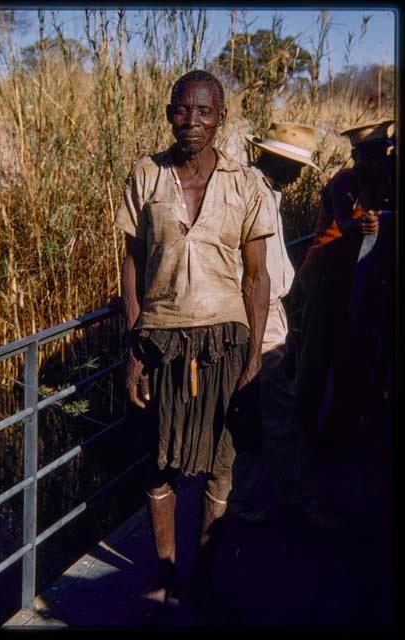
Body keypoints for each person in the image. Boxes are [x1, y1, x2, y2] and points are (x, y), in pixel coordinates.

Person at [114, 70, 275, 620]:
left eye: (205, 112)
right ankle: (164, 577)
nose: (193, 123)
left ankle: (204, 578)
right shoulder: (145, 176)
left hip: (225, 342)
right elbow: (132, 265)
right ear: (168, 114)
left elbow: (257, 279)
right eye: (183, 111)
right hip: (160, 341)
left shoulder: (246, 184)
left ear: (221, 117)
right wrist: (134, 346)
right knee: (158, 464)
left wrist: (254, 361)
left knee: (220, 467)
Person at [228, 122, 341, 527]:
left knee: (257, 411)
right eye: (294, 167)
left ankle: (238, 498)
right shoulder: (255, 190)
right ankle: (299, 497)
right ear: (279, 161)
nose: (296, 178)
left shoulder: (261, 189)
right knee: (278, 411)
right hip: (260, 310)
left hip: (266, 308)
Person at [295, 119, 395, 452]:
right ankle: (303, 436)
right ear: (356, 155)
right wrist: (362, 224)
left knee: (350, 355)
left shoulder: (383, 182)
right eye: (370, 154)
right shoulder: (344, 182)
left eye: (382, 152)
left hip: (357, 280)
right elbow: (345, 220)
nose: (376, 160)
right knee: (316, 355)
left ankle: (337, 432)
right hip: (326, 276)